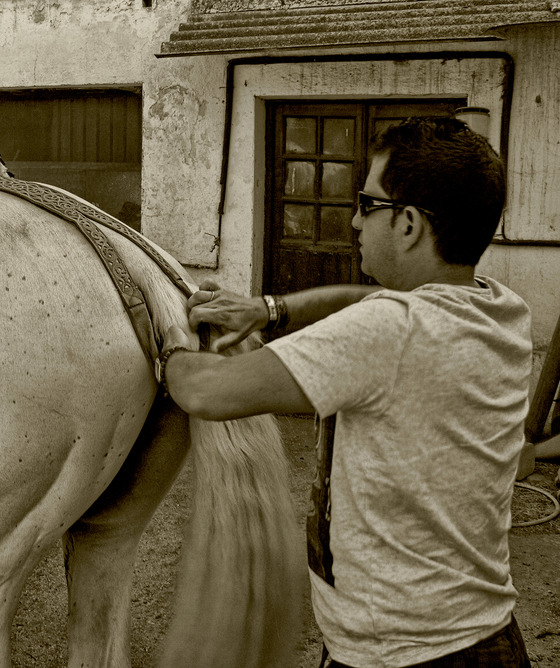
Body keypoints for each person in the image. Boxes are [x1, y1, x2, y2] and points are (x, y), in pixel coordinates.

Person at [159, 117, 533, 668]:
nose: (356, 220)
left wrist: (161, 329)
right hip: (485, 642)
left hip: (404, 658)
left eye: (367, 203)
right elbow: (362, 301)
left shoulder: (390, 332)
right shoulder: (499, 308)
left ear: (407, 223)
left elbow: (205, 391)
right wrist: (269, 310)